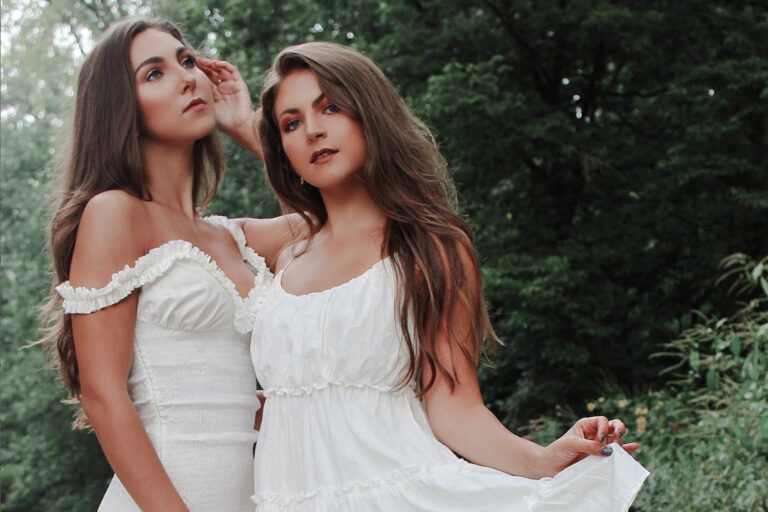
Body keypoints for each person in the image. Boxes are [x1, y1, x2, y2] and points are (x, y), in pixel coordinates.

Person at [212, 42, 649, 510]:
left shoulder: (428, 248)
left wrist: (543, 460)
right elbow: (171, 232)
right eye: (291, 123)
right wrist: (242, 124)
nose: (314, 131)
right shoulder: (286, 248)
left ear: (369, 114)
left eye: (332, 107)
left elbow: (457, 411)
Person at [40, 17, 292, 511]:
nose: (186, 77)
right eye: (153, 73)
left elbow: (360, 220)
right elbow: (103, 395)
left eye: (186, 60)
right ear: (120, 108)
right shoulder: (114, 213)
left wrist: (249, 126)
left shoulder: (235, 238)